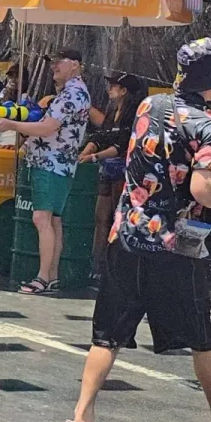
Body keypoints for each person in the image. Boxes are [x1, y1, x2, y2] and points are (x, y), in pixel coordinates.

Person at [67, 38, 211, 422]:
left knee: (108, 332)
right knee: (201, 335)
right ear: (209, 81)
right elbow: (201, 188)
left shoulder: (150, 104)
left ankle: (82, 415)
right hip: (175, 245)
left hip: (128, 234)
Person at [0, 49, 91, 295]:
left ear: (76, 65)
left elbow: (48, 128)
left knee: (41, 218)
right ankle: (52, 275)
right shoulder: (72, 93)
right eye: (52, 62)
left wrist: (11, 124)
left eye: (60, 62)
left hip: (51, 163)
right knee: (53, 220)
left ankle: (43, 276)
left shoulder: (72, 94)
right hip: (58, 164)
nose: (54, 66)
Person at [78, 73, 143, 285]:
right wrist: (86, 151)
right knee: (100, 217)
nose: (109, 89)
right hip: (107, 170)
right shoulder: (112, 111)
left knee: (118, 218)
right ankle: (97, 265)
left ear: (124, 90)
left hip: (124, 171)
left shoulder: (133, 114)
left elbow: (122, 146)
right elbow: (100, 136)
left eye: (114, 86)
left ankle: (114, 268)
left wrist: (93, 156)